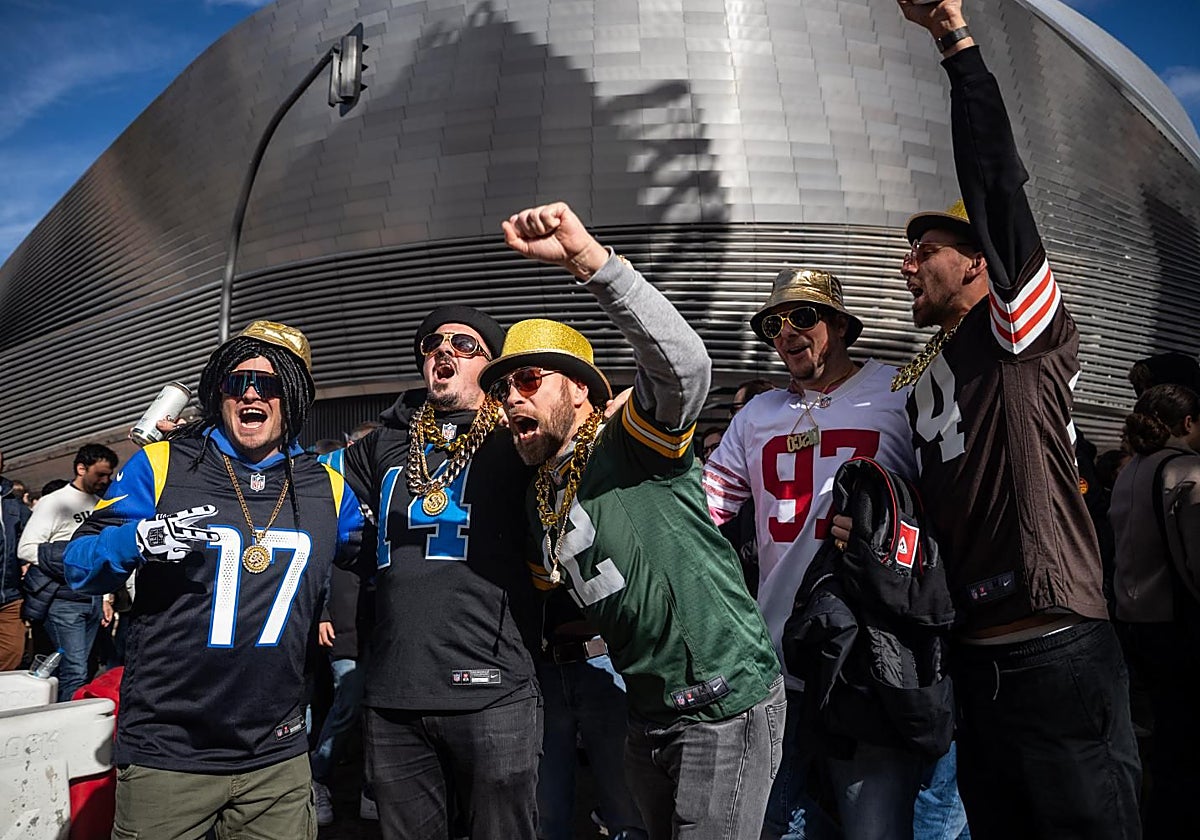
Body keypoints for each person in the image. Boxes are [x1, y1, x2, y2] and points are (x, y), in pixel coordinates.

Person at [835, 3, 1140, 836]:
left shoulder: (1017, 328)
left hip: (1051, 640)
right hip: (973, 652)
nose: (907, 266)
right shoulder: (926, 365)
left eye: (925, 251)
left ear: (979, 261)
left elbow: (997, 186)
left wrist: (954, 43)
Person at [480, 201, 784, 840]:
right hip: (645, 716)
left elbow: (686, 369)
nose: (511, 398)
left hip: (721, 703)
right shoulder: (540, 496)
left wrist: (591, 263)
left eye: (528, 379)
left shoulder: (629, 441)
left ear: (580, 389)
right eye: (503, 388)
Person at [63, 320, 364, 839]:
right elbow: (77, 565)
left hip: (277, 757)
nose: (251, 394)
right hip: (168, 752)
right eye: (236, 381)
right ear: (217, 391)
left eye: (269, 383)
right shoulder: (162, 465)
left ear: (294, 397)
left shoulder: (329, 488)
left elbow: (388, 563)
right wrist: (134, 540)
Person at [703, 269, 936, 840]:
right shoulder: (756, 415)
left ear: (840, 326)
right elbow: (704, 509)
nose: (786, 332)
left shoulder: (899, 390)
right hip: (776, 657)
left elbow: (946, 498)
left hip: (868, 654)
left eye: (802, 317)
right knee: (763, 825)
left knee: (873, 827)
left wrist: (892, 537)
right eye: (773, 325)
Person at [337, 307, 541, 840]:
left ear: (491, 367)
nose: (444, 350)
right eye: (433, 344)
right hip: (394, 694)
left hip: (492, 691)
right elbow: (307, 484)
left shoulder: (519, 436)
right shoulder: (385, 443)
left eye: (465, 344)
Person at [1109, 384, 1200, 837]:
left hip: (1132, 623)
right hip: (1178, 628)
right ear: (1188, 422)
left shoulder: (1129, 471)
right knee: (1184, 749)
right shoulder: (1186, 471)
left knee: (1152, 742)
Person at [18, 443, 118, 700]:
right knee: (75, 670)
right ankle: (66, 718)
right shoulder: (54, 502)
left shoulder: (101, 504)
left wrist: (106, 598)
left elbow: (104, 553)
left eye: (109, 475)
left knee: (83, 666)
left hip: (92, 599)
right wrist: (72, 561)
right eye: (100, 474)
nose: (105, 480)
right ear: (81, 469)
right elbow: (27, 549)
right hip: (64, 600)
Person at [0, 450, 33, 671]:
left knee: (13, 651)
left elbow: (27, 535)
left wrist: (26, 560)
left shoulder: (11, 499)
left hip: (9, 594)